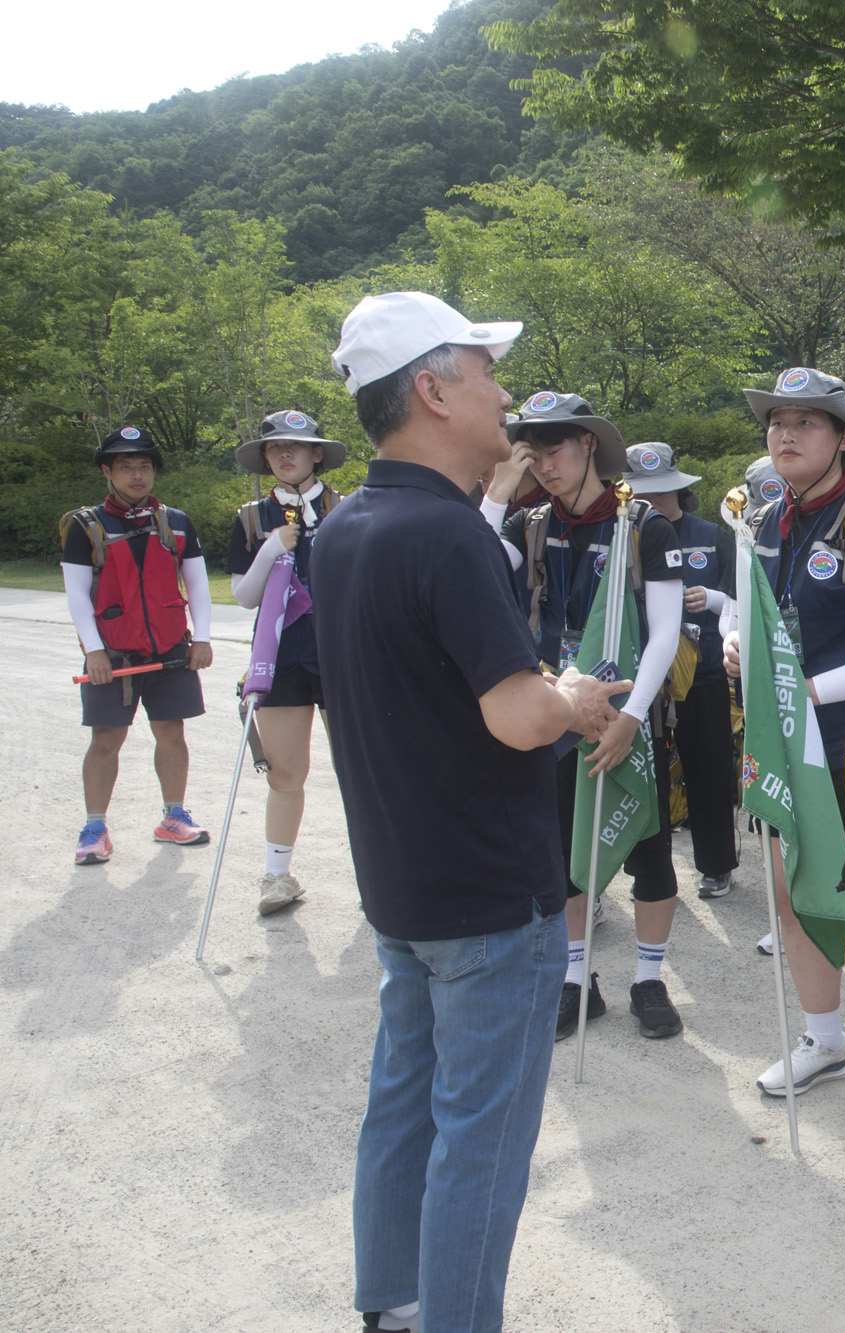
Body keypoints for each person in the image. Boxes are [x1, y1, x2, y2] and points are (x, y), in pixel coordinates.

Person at [314, 291, 628, 1333]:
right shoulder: (448, 535)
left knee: (402, 1110)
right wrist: (575, 699)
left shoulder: (347, 525)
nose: (506, 395)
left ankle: (391, 1308)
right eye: (485, 370)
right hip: (491, 897)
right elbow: (517, 716)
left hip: (403, 885)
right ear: (431, 389)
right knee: (481, 1150)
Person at [481, 393, 689, 1041]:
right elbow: (469, 567)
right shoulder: (527, 524)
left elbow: (664, 633)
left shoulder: (645, 525)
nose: (542, 461)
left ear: (589, 444)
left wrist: (629, 716)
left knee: (650, 859)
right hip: (554, 718)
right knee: (563, 856)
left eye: (555, 446)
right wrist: (498, 491)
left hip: (632, 720)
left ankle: (648, 979)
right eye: (528, 449)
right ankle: (576, 980)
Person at [724, 365, 845, 1095]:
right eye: (776, 422)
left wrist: (811, 689)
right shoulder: (764, 520)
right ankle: (825, 1040)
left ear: (843, 438)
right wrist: (734, 639)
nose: (785, 434)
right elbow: (745, 614)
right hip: (779, 745)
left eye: (805, 422)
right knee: (789, 894)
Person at [61, 426, 215, 865]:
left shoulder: (177, 522)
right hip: (112, 653)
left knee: (172, 732)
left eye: (144, 466)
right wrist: (92, 651)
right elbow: (75, 594)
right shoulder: (85, 525)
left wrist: (201, 638)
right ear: (107, 472)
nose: (136, 475)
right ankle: (94, 827)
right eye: (125, 467)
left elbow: (198, 584)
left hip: (170, 649)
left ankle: (173, 817)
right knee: (106, 738)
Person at [225, 410, 347, 914]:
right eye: (275, 449)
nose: (285, 455)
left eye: (296, 447)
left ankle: (379, 873)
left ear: (317, 453)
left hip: (342, 655)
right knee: (284, 774)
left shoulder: (349, 507)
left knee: (360, 770)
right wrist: (271, 548)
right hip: (280, 658)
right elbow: (243, 597)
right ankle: (277, 877)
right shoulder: (252, 517)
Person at [632, 444, 741, 901]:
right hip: (646, 679)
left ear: (679, 489)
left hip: (706, 675)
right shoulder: (627, 535)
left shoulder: (713, 535)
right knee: (647, 776)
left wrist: (711, 599)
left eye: (663, 492)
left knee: (710, 771)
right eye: (644, 493)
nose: (654, 502)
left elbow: (741, 598)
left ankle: (717, 865)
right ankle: (647, 873)